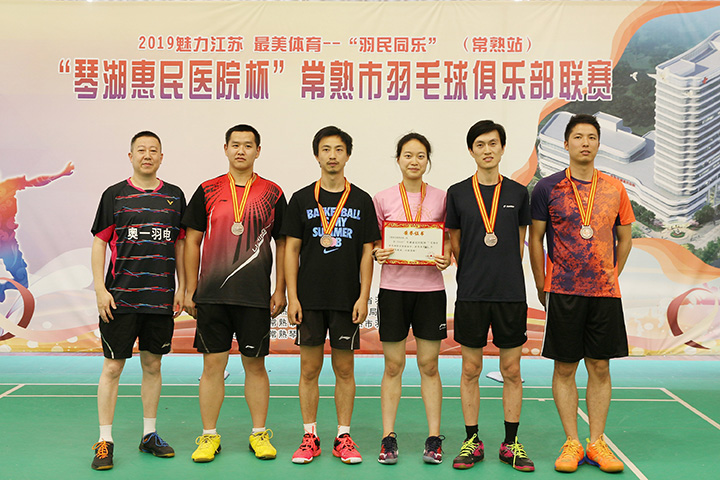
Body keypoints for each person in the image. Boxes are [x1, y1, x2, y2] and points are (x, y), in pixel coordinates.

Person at [529, 114, 633, 474]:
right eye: (577, 137)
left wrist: (611, 274)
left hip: (604, 293)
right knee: (565, 366)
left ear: (599, 144)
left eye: (591, 137)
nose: (584, 143)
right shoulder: (548, 188)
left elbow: (625, 239)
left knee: (600, 366)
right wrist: (542, 282)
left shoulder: (616, 188)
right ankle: (572, 442)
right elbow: (535, 239)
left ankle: (597, 442)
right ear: (566, 144)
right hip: (563, 290)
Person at [182, 124, 287, 463]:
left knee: (255, 366)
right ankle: (209, 436)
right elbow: (192, 241)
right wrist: (189, 288)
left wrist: (280, 288)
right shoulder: (207, 190)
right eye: (235, 145)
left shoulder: (273, 193)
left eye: (248, 145)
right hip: (212, 295)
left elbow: (284, 244)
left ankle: (259, 434)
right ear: (225, 149)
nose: (241, 150)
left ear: (258, 151)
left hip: (254, 296)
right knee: (213, 366)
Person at [283, 126, 380, 465]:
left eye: (339, 149)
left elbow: (367, 252)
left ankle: (343, 436)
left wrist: (363, 296)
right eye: (326, 149)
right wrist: (292, 297)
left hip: (345, 299)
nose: (332, 156)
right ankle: (309, 436)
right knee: (309, 369)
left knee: (344, 369)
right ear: (316, 155)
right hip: (309, 299)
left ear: (348, 155)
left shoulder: (361, 200)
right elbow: (291, 250)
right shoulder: (301, 199)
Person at [90, 131, 186, 470]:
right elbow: (100, 242)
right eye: (141, 150)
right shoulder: (114, 195)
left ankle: (149, 435)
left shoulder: (174, 196)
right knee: (113, 367)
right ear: (130, 156)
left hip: (159, 298)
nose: (147, 155)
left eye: (153, 150)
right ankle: (105, 440)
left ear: (161, 157)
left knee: (153, 366)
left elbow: (180, 244)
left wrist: (183, 287)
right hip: (120, 298)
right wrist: (100, 290)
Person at [446, 120, 534, 472]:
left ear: (502, 148)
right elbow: (455, 241)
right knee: (471, 368)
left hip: (510, 294)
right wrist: (474, 271)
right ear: (471, 150)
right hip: (472, 293)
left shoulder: (518, 193)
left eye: (493, 143)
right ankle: (472, 440)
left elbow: (519, 241)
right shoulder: (457, 193)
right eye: (480, 144)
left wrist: (502, 271)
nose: (487, 150)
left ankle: (511, 443)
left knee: (511, 369)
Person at [371, 133, 451, 465]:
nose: (414, 161)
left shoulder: (443, 198)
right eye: (408, 155)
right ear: (398, 159)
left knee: (429, 365)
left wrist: (448, 256)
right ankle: (388, 437)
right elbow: (375, 241)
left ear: (427, 160)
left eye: (420, 155)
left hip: (430, 292)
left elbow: (449, 238)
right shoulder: (382, 198)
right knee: (393, 365)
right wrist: (378, 252)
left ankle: (433, 438)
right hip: (393, 290)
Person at [0, 162, 74, 305]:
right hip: (7, 243)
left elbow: (34, 182)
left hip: (8, 245)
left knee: (22, 281)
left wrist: (59, 175)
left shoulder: (8, 186)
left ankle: (1, 288)